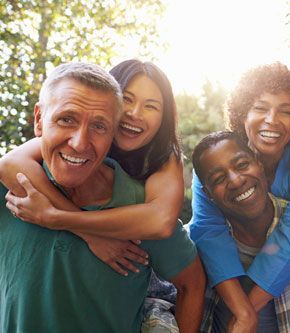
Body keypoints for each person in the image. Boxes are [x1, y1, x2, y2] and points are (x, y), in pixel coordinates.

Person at [0, 62, 205, 332]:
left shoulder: (149, 186)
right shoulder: (17, 182)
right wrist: (86, 231)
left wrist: (55, 218)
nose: (79, 142)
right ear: (40, 120)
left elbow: (186, 271)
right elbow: (8, 164)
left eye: (99, 125)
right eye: (67, 119)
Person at [188, 63, 290, 327]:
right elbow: (208, 230)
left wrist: (247, 313)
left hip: (289, 283)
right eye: (260, 108)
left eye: (285, 111)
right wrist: (241, 310)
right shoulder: (212, 160)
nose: (272, 120)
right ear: (243, 114)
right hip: (231, 281)